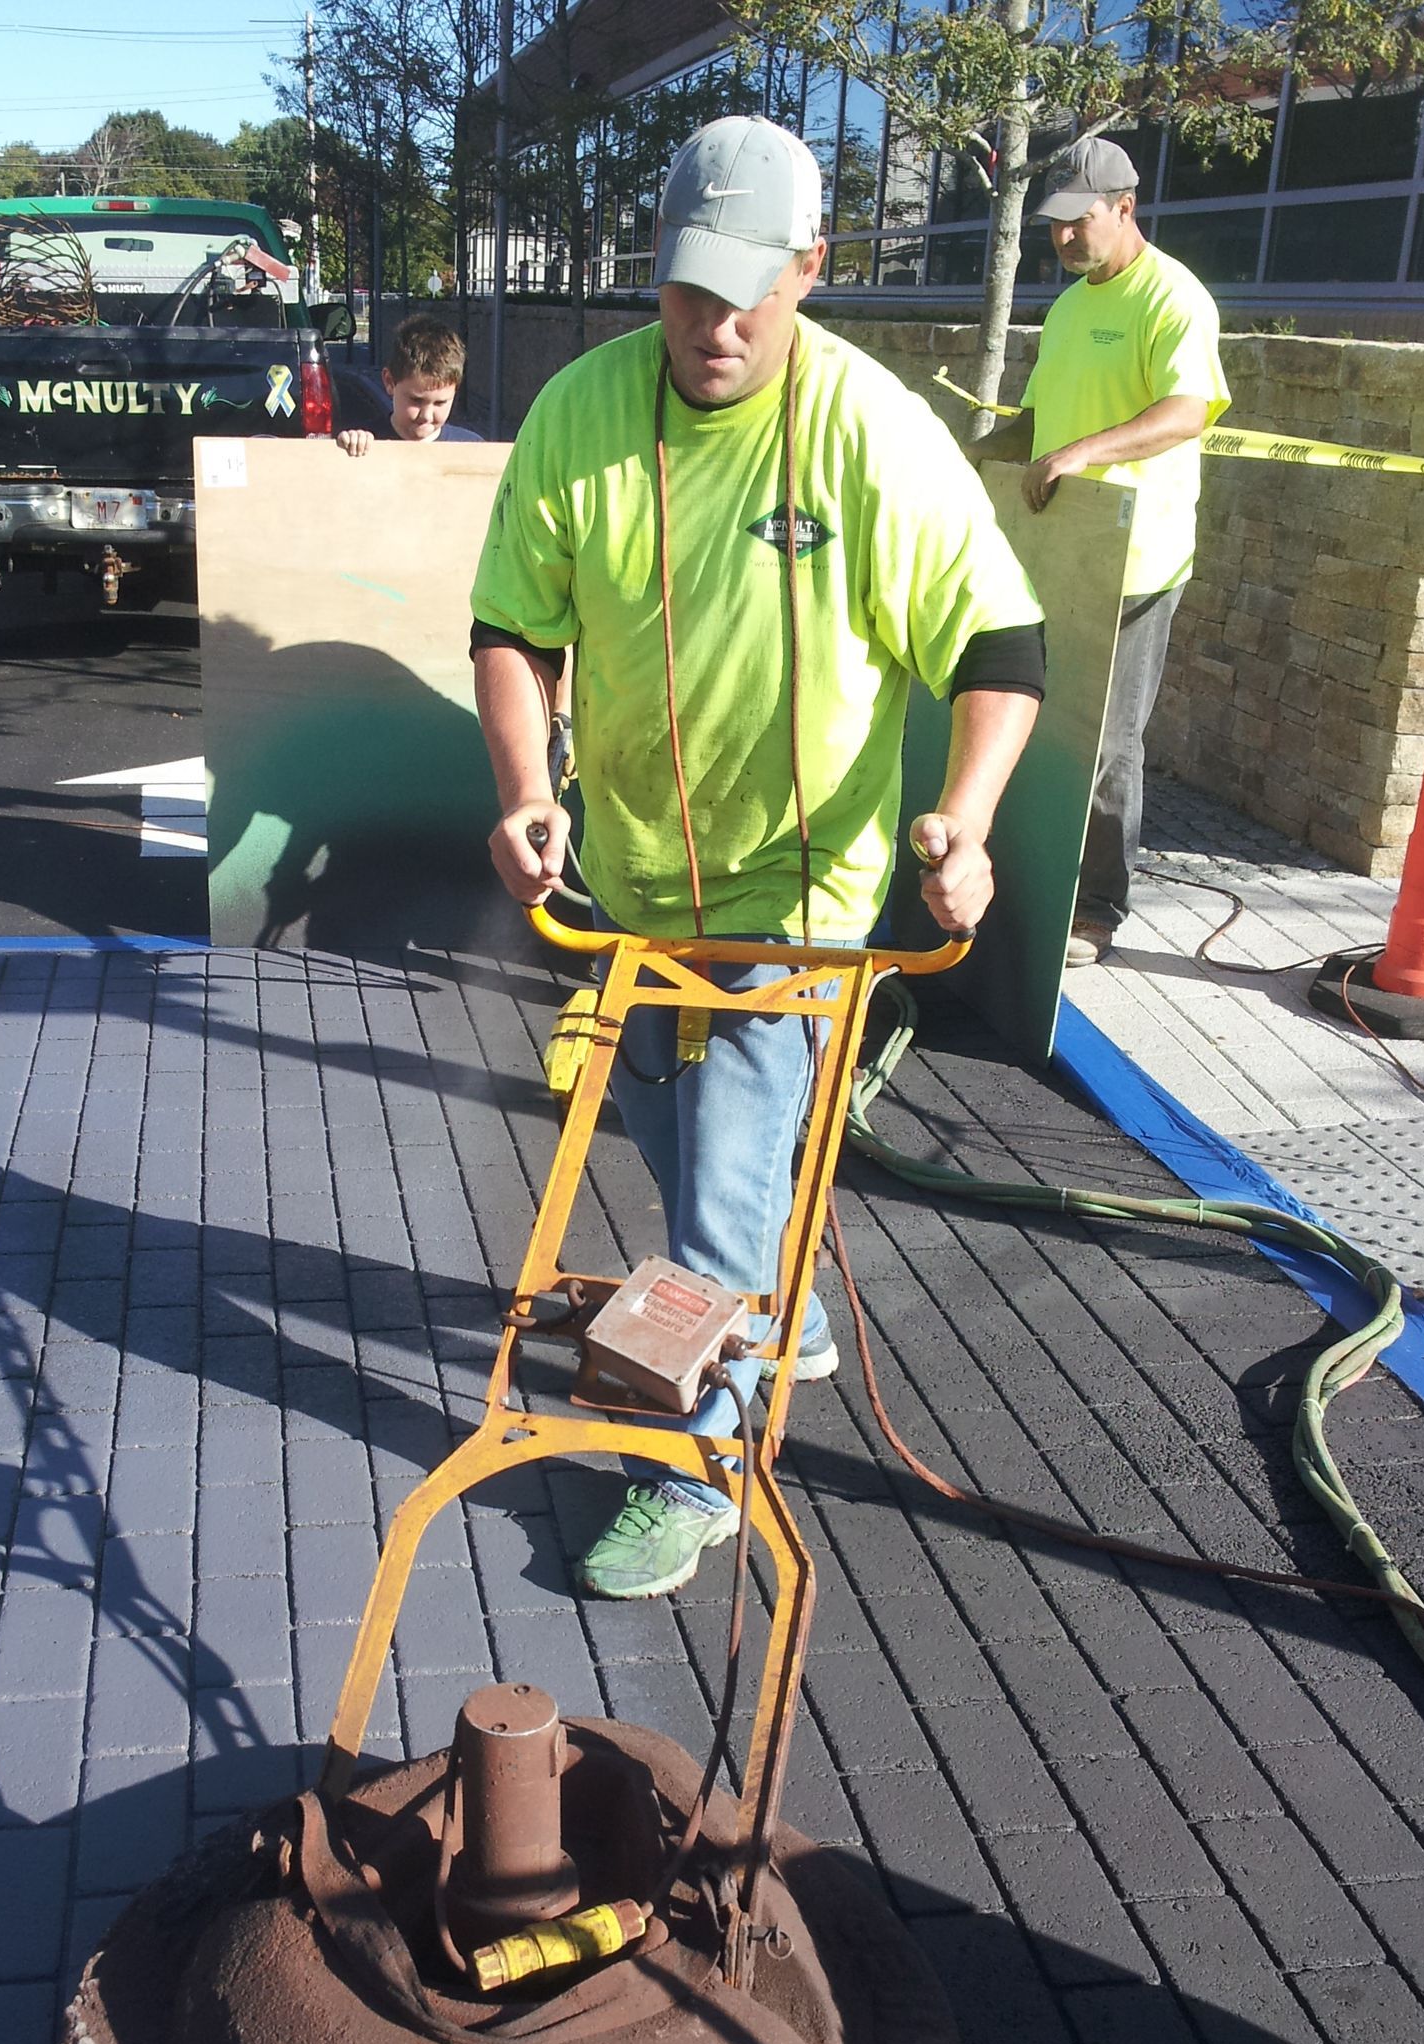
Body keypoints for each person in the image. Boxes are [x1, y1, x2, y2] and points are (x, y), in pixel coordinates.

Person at [469, 115, 1046, 1602]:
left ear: (813, 268)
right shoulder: (582, 415)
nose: (714, 327)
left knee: (719, 1188)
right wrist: (530, 784)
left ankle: (704, 1463)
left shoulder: (867, 429)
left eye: (750, 294)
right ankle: (775, 1309)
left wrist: (967, 815)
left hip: (801, 894)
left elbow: (998, 639)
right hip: (640, 881)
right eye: (684, 294)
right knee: (666, 1149)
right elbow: (516, 628)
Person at [972, 136, 1230, 966]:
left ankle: (1097, 910)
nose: (1064, 241)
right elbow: (1039, 425)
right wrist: (975, 452)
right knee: (1043, 722)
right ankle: (1034, 882)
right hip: (1063, 551)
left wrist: (1084, 453)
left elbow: (1190, 409)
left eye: (1078, 223)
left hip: (1139, 559)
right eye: (1054, 227)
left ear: (1125, 206)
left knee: (1110, 742)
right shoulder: (1072, 306)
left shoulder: (1173, 298)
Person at [336, 314, 482, 455]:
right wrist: (350, 445)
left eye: (440, 403)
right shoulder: (367, 443)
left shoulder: (473, 448)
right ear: (389, 382)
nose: (426, 416)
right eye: (416, 400)